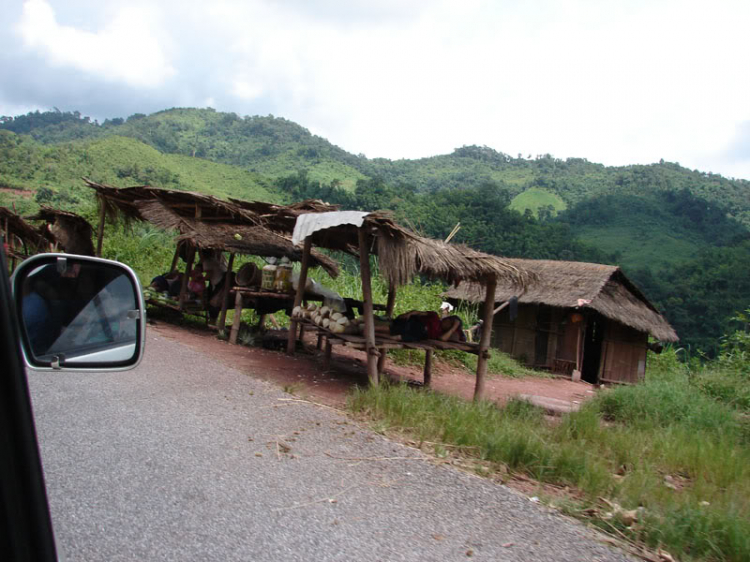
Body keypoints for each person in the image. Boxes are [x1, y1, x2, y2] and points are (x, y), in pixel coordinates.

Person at [390, 309, 465, 342]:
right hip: (412, 323)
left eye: (450, 324)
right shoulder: (434, 316)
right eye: (449, 319)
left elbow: (442, 339)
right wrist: (409, 314)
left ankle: (382, 331)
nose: (447, 322)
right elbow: (418, 312)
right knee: (391, 329)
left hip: (416, 335)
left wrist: (453, 328)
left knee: (396, 336)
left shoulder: (441, 334)